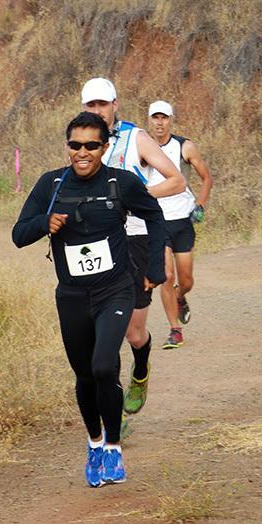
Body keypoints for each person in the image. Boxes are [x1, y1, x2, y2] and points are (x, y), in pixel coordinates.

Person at [12, 112, 166, 487]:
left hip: (114, 289)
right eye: (75, 145)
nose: (82, 152)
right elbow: (18, 234)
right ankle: (94, 443)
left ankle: (114, 447)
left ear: (105, 147)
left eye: (91, 145)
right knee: (83, 376)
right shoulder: (50, 185)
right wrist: (43, 224)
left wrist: (155, 265)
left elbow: (156, 217)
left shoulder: (121, 183)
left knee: (102, 367)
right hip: (72, 296)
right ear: (67, 147)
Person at [81, 78, 186, 415]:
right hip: (97, 242)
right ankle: (113, 412)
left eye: (102, 104)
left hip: (136, 238)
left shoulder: (135, 137)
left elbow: (176, 181)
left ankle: (140, 370)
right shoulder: (81, 141)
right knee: (102, 330)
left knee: (132, 330)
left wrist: (132, 199)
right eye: (91, 105)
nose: (97, 110)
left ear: (115, 104)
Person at [147, 100, 213, 349]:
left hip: (183, 220)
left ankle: (181, 297)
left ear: (171, 119)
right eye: (155, 118)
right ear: (150, 120)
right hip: (157, 221)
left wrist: (201, 205)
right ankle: (175, 330)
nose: (160, 122)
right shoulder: (144, 148)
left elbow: (206, 177)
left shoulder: (184, 147)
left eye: (164, 118)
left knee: (185, 280)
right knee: (166, 275)